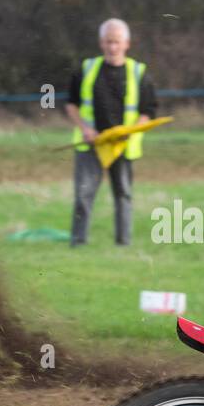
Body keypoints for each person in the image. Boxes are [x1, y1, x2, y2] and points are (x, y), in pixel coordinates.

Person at [64, 18, 157, 247]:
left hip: (121, 146)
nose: (112, 47)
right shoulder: (86, 69)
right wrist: (85, 129)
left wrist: (131, 131)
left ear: (127, 43)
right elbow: (71, 104)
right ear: (101, 43)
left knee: (123, 196)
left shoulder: (139, 73)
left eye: (116, 42)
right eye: (108, 42)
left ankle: (123, 243)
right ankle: (78, 242)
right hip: (90, 145)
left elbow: (148, 111)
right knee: (83, 196)